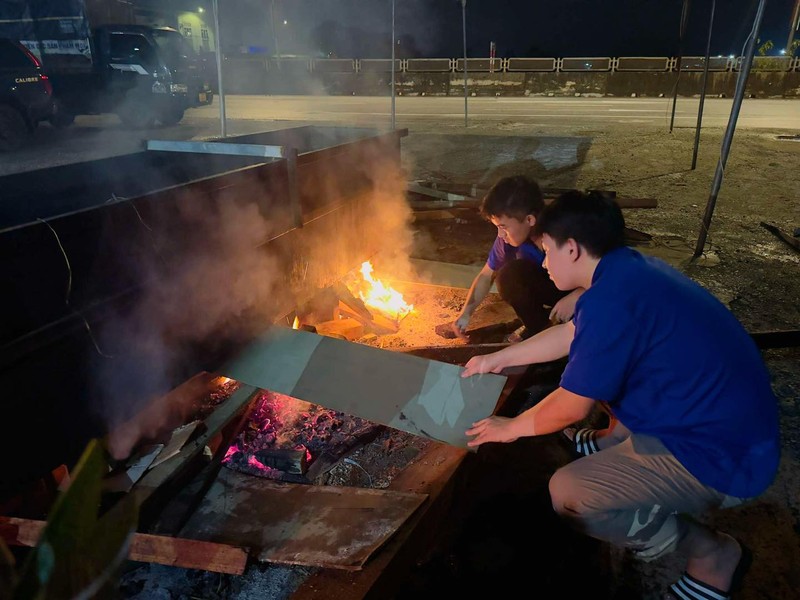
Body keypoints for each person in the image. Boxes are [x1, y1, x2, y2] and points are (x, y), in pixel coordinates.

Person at [461, 190, 780, 600]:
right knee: (617, 369)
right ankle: (616, 442)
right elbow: (571, 334)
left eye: (546, 249)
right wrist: (497, 359)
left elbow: (572, 406)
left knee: (571, 493)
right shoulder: (625, 270)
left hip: (726, 457)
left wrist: (512, 428)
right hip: (724, 419)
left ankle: (712, 555)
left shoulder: (611, 301)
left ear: (572, 248)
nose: (542, 261)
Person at [447, 175, 584, 342]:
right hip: (553, 287)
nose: (500, 234)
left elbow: (609, 274)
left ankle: (573, 329)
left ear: (529, 219)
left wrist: (575, 297)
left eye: (503, 227)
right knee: (509, 276)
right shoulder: (510, 239)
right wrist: (466, 313)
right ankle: (539, 328)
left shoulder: (566, 234)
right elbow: (486, 275)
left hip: (586, 290)